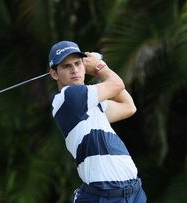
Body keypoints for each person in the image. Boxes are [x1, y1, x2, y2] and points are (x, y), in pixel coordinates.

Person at [48, 41, 147, 203]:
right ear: (54, 74)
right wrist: (100, 67)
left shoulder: (93, 103)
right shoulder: (68, 98)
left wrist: (98, 67)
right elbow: (116, 84)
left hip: (134, 193)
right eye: (66, 66)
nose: (74, 70)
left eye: (78, 64)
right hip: (102, 197)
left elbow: (129, 106)